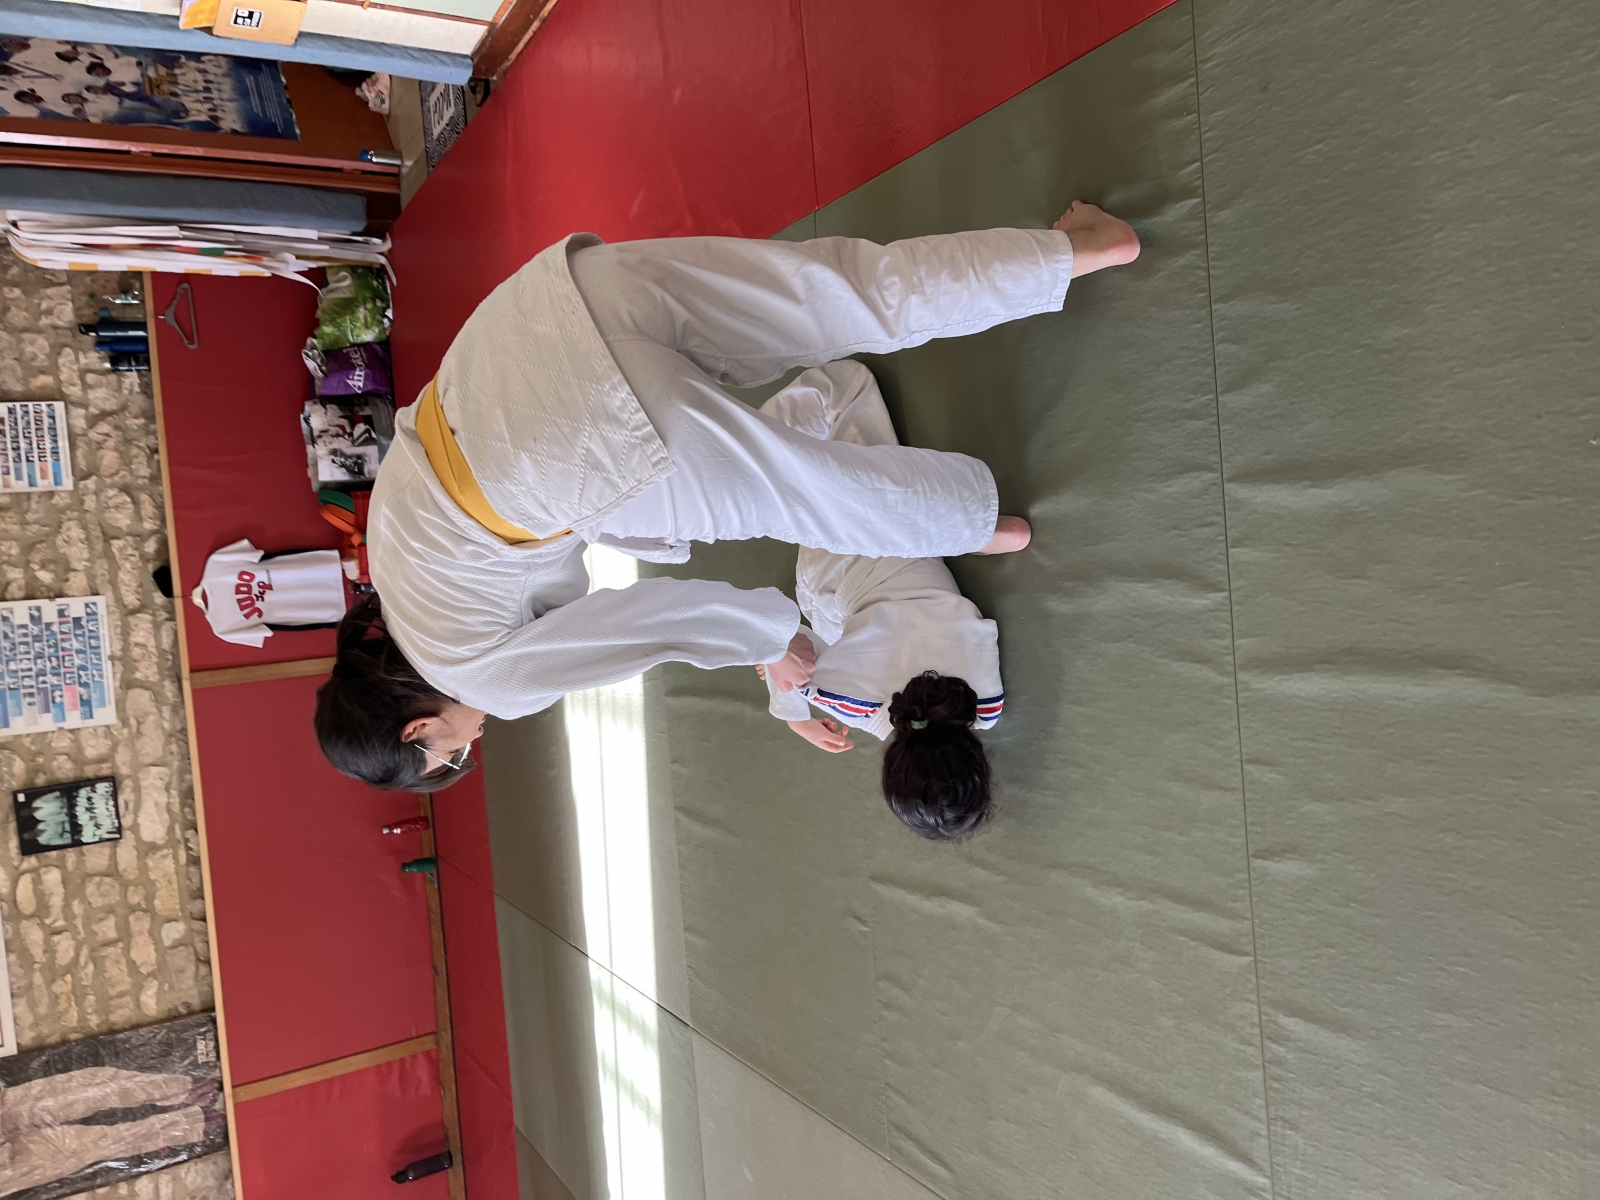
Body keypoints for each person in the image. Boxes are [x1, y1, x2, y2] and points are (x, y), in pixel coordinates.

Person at [315, 204, 1140, 790]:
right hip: (543, 315)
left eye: (448, 754)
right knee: (836, 291)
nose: (470, 743)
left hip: (583, 430)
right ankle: (1075, 249)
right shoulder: (389, 564)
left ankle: (979, 527)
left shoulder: (482, 679)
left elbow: (643, 624)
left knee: (811, 494)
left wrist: (768, 640)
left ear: (418, 730)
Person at [753, 360, 1004, 841]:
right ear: (890, 765)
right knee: (845, 391)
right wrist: (796, 716)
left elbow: (898, 704)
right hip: (838, 565)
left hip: (909, 541)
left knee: (847, 412)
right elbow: (781, 638)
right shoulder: (848, 698)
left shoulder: (987, 704)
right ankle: (749, 451)